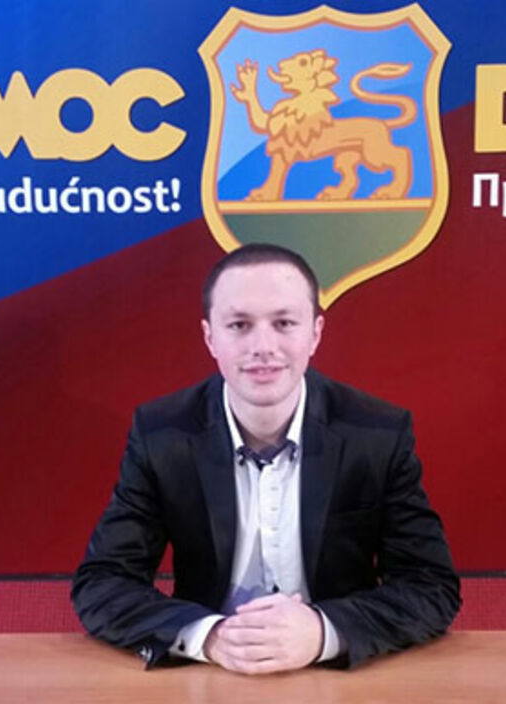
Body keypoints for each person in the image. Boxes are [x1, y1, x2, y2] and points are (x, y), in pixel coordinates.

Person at [71, 243, 460, 672]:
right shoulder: (162, 434)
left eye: (284, 323)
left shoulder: (377, 434)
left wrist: (324, 632)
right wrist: (209, 637)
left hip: (338, 677)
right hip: (209, 673)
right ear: (210, 337)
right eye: (239, 325)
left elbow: (431, 586)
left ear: (315, 333)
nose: (263, 346)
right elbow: (102, 583)